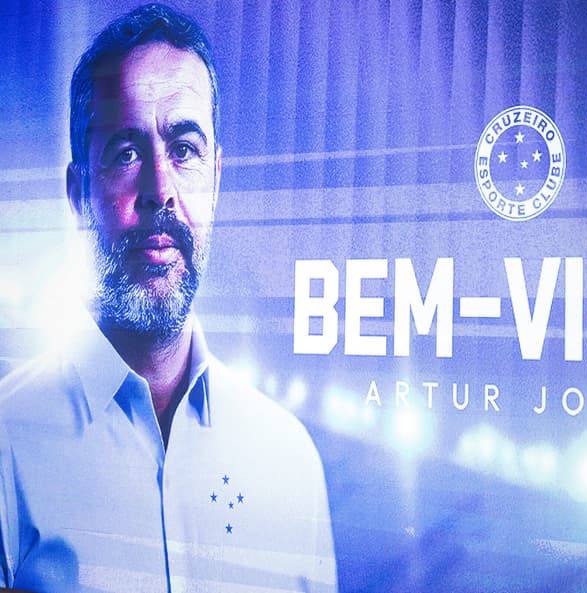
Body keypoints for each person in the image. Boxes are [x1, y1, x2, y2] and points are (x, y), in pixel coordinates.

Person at [0, 4, 337, 592]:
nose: (161, 190)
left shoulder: (292, 461)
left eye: (184, 149)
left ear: (216, 178)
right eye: (126, 153)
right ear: (79, 193)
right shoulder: (6, 443)